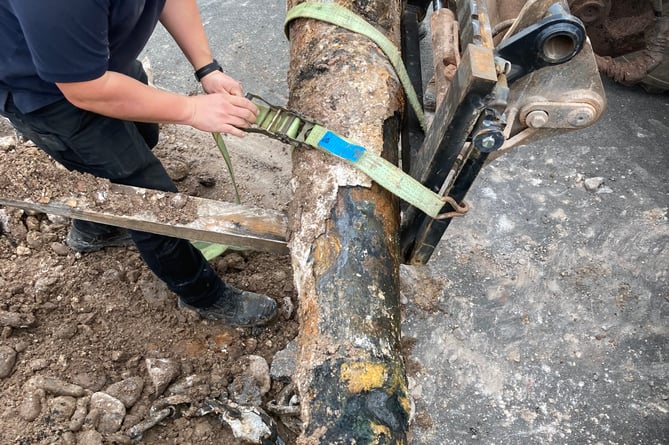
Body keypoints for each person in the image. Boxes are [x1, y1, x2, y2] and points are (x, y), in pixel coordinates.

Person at [0, 0, 278, 327]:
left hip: (103, 60)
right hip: (50, 97)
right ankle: (203, 294)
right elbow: (86, 90)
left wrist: (207, 68)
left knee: (143, 137)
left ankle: (95, 228)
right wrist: (191, 110)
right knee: (151, 202)